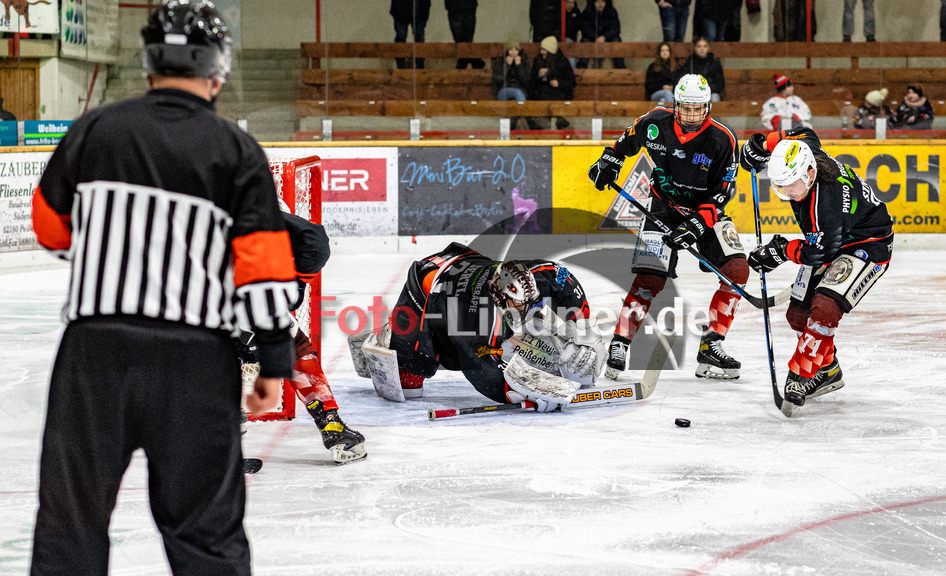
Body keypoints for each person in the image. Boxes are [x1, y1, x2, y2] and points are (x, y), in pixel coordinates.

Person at [29, 1, 296, 574]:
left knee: (70, 526)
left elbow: (50, 228)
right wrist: (274, 363)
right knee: (205, 533)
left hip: (95, 356)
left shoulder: (95, 127)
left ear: (149, 63)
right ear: (218, 70)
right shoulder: (236, 151)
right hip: (195, 364)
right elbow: (264, 268)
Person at [588, 74, 748, 381]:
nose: (690, 115)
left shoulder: (723, 139)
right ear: (674, 106)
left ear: (708, 107)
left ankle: (712, 344)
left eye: (697, 109)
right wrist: (608, 162)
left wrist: (699, 223)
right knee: (649, 279)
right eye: (685, 108)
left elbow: (723, 191)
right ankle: (620, 343)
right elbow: (624, 143)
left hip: (705, 214)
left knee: (737, 271)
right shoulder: (655, 122)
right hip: (663, 208)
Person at [739, 127, 894, 414]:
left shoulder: (827, 204)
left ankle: (803, 372)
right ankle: (828, 370)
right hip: (830, 237)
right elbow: (802, 132)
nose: (787, 193)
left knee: (824, 308)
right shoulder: (806, 150)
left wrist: (781, 251)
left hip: (868, 244)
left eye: (792, 185)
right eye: (781, 186)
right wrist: (763, 144)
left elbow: (820, 253)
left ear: (810, 174)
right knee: (797, 315)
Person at [350, 243, 605, 412]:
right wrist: (522, 395)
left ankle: (496, 343)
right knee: (411, 381)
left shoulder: (533, 276)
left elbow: (562, 277)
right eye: (516, 307)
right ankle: (393, 334)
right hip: (426, 288)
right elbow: (481, 374)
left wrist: (585, 330)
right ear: (499, 299)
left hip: (464, 264)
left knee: (512, 330)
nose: (523, 311)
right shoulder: (473, 318)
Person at [239, 208, 367, 465]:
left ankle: (222, 436)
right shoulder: (255, 205)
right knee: (293, 346)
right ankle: (331, 425)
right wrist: (297, 282)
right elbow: (315, 239)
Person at [528, 36, 576, 129]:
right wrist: (538, 77)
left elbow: (571, 82)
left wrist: (559, 83)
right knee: (543, 93)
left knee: (555, 96)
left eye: (544, 50)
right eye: (541, 49)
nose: (542, 52)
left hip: (559, 92)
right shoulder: (538, 61)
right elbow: (531, 83)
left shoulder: (562, 62)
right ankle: (559, 117)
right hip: (542, 92)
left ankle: (558, 118)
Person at [578, 0, 626, 69]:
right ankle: (581, 67)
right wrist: (596, 37)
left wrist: (604, 37)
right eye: (597, 2)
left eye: (603, 2)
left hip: (607, 39)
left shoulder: (612, 11)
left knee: (617, 40)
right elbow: (585, 29)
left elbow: (616, 29)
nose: (600, 4)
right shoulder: (587, 12)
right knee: (585, 41)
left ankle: (620, 67)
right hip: (592, 39)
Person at [677, 37, 724, 101]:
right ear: (695, 48)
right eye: (699, 46)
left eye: (704, 46)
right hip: (692, 93)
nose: (702, 49)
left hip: (709, 92)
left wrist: (705, 89)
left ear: (708, 48)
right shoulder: (689, 63)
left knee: (714, 97)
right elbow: (683, 79)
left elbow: (720, 84)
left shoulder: (714, 64)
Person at [390, 0, 430, 69]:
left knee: (417, 37)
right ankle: (402, 66)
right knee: (402, 37)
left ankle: (419, 66)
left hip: (418, 10)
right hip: (404, 10)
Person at [445, 0, 484, 69]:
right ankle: (473, 61)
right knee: (465, 40)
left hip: (456, 7)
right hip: (466, 6)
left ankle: (467, 61)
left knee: (461, 40)